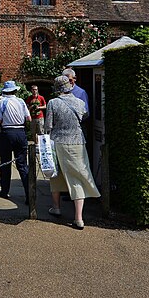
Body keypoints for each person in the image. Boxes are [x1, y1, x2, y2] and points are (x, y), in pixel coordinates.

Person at [44, 75, 100, 229]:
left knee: (56, 174)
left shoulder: (53, 103)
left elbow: (48, 126)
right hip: (77, 142)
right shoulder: (80, 102)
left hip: (58, 142)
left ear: (57, 89)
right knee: (77, 178)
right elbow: (84, 116)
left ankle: (56, 208)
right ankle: (79, 218)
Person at [0, 80, 32, 203]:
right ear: (15, 91)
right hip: (21, 132)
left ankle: (4, 191)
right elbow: (28, 118)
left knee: (5, 163)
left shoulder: (1, 102)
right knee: (22, 165)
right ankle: (29, 194)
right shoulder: (21, 101)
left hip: (7, 132)